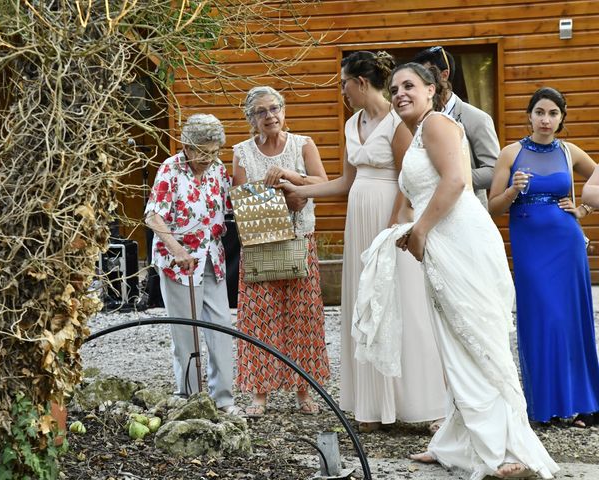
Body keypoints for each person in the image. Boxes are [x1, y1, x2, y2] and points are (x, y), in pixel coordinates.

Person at [368, 63, 558, 478]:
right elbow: (413, 192)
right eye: (394, 88)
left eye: (409, 86)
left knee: (478, 341)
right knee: (455, 342)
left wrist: (419, 231)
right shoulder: (415, 133)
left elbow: (455, 182)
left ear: (433, 89)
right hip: (442, 242)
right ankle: (455, 441)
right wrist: (398, 234)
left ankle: (506, 449)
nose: (400, 93)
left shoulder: (437, 123)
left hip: (462, 241)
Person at [279, 51, 446, 432]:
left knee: (402, 303)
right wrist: (304, 190)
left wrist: (393, 227)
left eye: (343, 83)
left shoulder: (397, 122)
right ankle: (370, 404)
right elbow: (346, 183)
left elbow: (409, 180)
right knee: (365, 306)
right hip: (359, 220)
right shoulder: (351, 123)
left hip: (392, 218)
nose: (341, 91)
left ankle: (421, 403)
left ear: (361, 82)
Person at [488, 87, 599, 428]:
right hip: (531, 249)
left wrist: (582, 208)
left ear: (561, 118)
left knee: (572, 322)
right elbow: (493, 207)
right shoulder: (511, 153)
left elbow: (596, 177)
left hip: (567, 244)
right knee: (542, 320)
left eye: (553, 113)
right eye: (540, 112)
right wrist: (513, 190)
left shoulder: (569, 151)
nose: (546, 119)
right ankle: (545, 406)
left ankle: (583, 405)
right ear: (529, 115)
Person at [232, 86, 330, 417]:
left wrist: (290, 176)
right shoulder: (243, 152)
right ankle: (260, 394)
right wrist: (282, 201)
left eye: (275, 108)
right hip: (260, 245)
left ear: (284, 111)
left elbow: (320, 182)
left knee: (302, 317)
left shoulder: (304, 144)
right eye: (261, 111)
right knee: (259, 319)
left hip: (300, 240)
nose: (270, 116)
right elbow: (243, 202)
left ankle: (304, 391)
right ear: (251, 118)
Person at [144, 114, 242, 416]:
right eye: (202, 152)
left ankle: (223, 398)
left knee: (222, 328)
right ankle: (189, 399)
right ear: (187, 146)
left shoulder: (217, 169)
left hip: (212, 259)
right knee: (185, 334)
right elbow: (152, 216)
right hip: (179, 264)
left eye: (214, 152)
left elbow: (232, 202)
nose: (208, 158)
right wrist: (176, 249)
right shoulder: (170, 170)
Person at [412, 46, 499, 206]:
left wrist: (449, 178)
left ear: (444, 75)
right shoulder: (415, 118)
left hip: (466, 208)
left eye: (425, 76)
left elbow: (493, 171)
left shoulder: (477, 118)